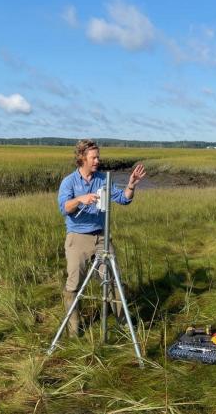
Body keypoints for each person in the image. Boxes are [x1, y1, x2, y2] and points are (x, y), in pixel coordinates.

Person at [57, 139, 146, 337]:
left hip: (102, 238)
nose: (98, 160)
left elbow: (123, 199)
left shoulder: (103, 179)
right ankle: (74, 330)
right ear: (82, 158)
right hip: (77, 238)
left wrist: (131, 184)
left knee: (113, 281)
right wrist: (80, 199)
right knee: (74, 284)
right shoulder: (69, 181)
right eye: (94, 157)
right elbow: (64, 208)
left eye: (98, 156)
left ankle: (124, 325)